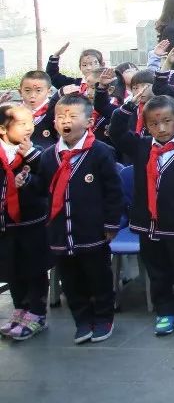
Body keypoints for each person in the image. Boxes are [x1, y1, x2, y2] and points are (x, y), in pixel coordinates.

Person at [109, 95, 174, 336]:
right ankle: (164, 310)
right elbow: (116, 133)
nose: (161, 128)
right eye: (154, 124)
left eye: (167, 121)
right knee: (157, 271)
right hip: (147, 225)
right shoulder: (142, 147)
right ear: (145, 126)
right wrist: (129, 106)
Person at [39, 94, 124, 343]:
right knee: (71, 280)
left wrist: (110, 223)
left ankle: (103, 318)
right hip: (60, 233)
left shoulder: (101, 152)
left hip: (91, 230)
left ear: (88, 122)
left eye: (73, 116)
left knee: (97, 276)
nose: (66, 121)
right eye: (61, 117)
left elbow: (113, 191)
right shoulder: (48, 156)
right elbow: (43, 191)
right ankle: (82, 320)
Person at [0, 104, 50, 341]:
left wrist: (29, 179)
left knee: (34, 269)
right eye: (21, 124)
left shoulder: (36, 153)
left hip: (32, 225)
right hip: (6, 225)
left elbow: (47, 182)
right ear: (2, 129)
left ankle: (37, 313)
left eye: (30, 122)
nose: (29, 128)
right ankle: (20, 309)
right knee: (12, 269)